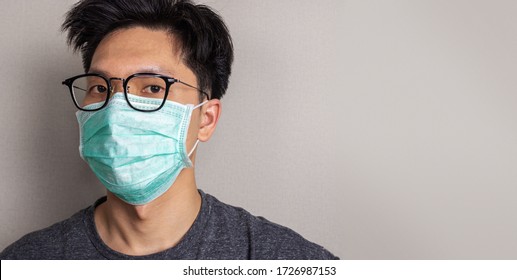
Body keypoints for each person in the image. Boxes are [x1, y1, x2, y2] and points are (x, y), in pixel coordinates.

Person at [0, 0, 337, 260]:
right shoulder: (25, 261)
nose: (116, 109)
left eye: (152, 88)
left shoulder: (279, 260)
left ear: (205, 118)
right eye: (100, 88)